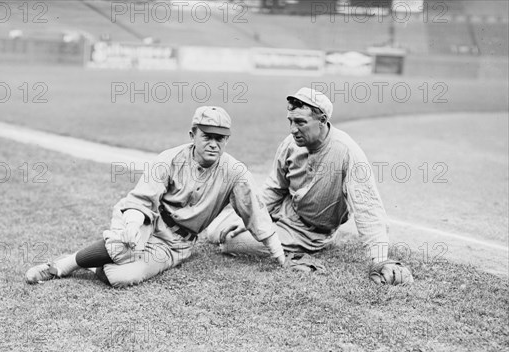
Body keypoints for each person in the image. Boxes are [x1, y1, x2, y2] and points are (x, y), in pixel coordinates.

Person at [25, 106, 286, 287]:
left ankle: (95, 264)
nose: (214, 144)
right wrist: (133, 224)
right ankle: (62, 266)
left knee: (122, 277)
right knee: (123, 246)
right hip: (151, 222)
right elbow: (142, 199)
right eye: (207, 136)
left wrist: (275, 247)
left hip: (176, 244)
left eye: (221, 138)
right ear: (192, 135)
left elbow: (254, 211)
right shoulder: (170, 159)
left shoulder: (234, 172)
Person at [207, 88, 396, 279]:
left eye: (300, 122)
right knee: (215, 231)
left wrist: (379, 260)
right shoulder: (290, 144)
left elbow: (368, 208)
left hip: (310, 232)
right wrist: (252, 218)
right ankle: (267, 234)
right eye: (290, 121)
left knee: (231, 242)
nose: (293, 129)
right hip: (282, 214)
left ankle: (297, 253)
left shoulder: (346, 152)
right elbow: (274, 189)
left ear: (322, 120)